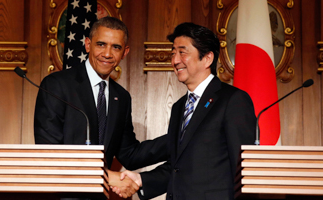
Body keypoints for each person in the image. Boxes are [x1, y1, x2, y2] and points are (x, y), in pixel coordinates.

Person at [115, 22, 256, 199]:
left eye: (182, 52)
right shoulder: (179, 107)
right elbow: (178, 166)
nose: (175, 60)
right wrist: (141, 179)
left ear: (207, 58)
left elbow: (244, 168)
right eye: (173, 53)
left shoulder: (233, 100)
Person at [34, 17, 168, 199]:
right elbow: (49, 153)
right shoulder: (57, 85)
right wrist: (104, 176)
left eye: (116, 47)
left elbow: (129, 153)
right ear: (88, 45)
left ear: (125, 52)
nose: (107, 54)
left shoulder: (121, 97)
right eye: (101, 44)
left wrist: (177, 138)